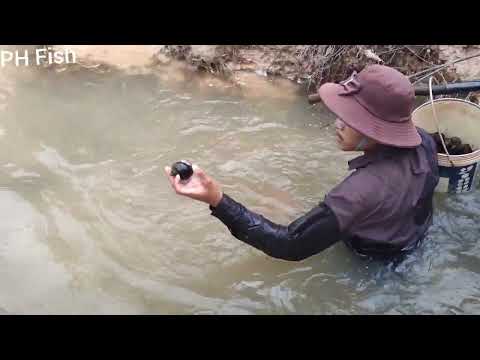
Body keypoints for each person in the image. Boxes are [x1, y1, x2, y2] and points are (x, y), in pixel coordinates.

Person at [164, 65, 439, 261]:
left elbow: (289, 246)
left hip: (372, 261)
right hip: (415, 236)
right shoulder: (425, 142)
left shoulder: (358, 194)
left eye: (350, 118)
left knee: (283, 210)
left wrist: (217, 199)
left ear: (375, 129)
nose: (338, 123)